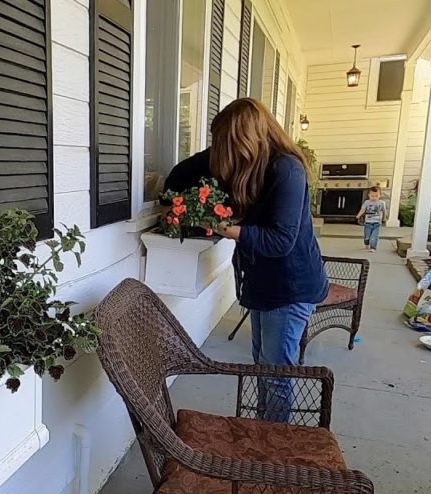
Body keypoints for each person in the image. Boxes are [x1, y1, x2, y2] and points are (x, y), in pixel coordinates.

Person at [164, 98, 328, 422]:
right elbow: (181, 176)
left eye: (224, 142)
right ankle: (263, 433)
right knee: (263, 366)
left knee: (276, 375)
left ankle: (272, 449)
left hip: (290, 287)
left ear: (244, 140)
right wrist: (177, 202)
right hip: (262, 285)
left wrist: (223, 227)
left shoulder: (286, 169)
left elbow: (280, 240)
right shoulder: (245, 161)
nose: (218, 152)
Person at [356, 186, 387, 253]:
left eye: (376, 196)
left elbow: (384, 211)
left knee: (374, 236)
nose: (374, 197)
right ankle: (366, 243)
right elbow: (363, 209)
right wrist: (358, 215)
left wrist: (384, 218)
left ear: (380, 195)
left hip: (377, 223)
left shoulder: (382, 203)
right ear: (369, 195)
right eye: (372, 196)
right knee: (367, 236)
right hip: (368, 222)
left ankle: (373, 247)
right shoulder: (367, 202)